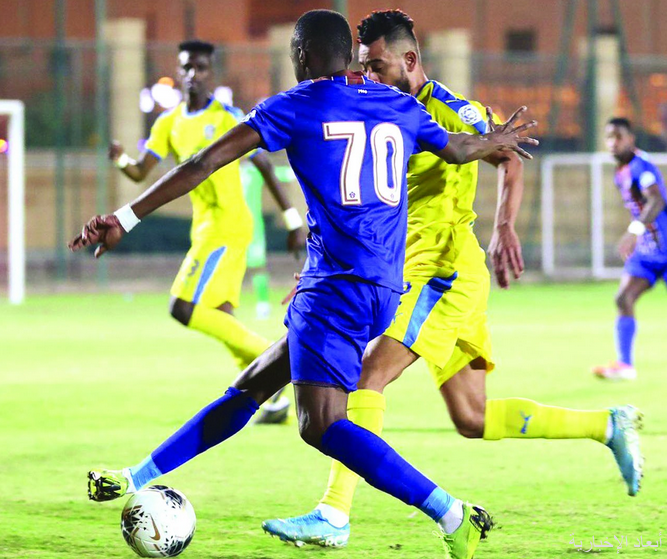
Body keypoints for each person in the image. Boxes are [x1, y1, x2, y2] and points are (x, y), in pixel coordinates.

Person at [71, 10, 537, 558]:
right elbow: (456, 149)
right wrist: (495, 140)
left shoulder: (296, 105)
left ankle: (453, 515)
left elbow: (202, 163)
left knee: (321, 425)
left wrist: (123, 218)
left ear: (301, 56)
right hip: (381, 288)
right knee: (251, 386)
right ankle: (136, 475)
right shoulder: (398, 105)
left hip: (336, 286)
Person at [260, 11, 644, 548]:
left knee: (368, 375)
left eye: (377, 65)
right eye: (363, 64)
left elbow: (509, 158)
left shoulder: (450, 110)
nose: (367, 74)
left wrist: (504, 225)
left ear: (410, 59)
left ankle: (334, 514)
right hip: (409, 269)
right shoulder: (376, 105)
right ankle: (607, 424)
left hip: (441, 268)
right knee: (472, 416)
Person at [108, 39, 306, 372]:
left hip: (228, 226)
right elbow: (141, 172)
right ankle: (267, 393)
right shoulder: (168, 123)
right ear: (178, 70)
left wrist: (292, 221)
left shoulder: (227, 117)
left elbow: (264, 166)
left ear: (210, 72)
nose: (193, 74)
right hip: (204, 228)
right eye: (187, 67)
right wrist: (120, 159)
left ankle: (279, 361)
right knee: (221, 316)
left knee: (182, 307)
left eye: (200, 68)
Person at [593, 117, 667, 380]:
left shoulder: (640, 166)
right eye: (609, 137)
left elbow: (656, 199)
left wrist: (634, 231)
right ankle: (625, 366)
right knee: (623, 298)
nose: (613, 143)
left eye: (618, 137)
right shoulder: (620, 171)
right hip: (647, 253)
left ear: (630, 139)